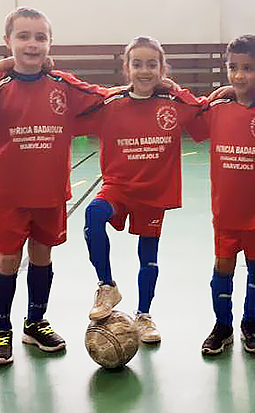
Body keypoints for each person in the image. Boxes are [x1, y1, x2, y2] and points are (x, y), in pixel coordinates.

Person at [0, 7, 110, 364]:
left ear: (50, 43)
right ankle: (1, 329)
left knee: (42, 257)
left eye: (40, 37)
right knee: (8, 259)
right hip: (11, 196)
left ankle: (35, 322)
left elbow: (108, 97)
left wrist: (152, 87)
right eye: (23, 37)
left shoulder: (62, 84)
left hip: (50, 193)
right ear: (7, 42)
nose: (32, 45)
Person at [78, 36, 206, 343]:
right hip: (118, 188)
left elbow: (203, 112)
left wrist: (176, 89)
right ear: (126, 68)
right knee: (94, 214)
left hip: (154, 193)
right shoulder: (111, 104)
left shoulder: (172, 104)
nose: (144, 71)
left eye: (152, 64)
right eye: (137, 64)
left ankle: (144, 315)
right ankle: (107, 285)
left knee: (148, 256)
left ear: (163, 68)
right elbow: (71, 117)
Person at [198, 35, 255, 355]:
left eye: (248, 69)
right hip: (226, 211)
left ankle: (250, 323)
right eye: (233, 68)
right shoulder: (217, 107)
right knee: (223, 265)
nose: (239, 76)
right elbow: (187, 113)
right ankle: (222, 325)